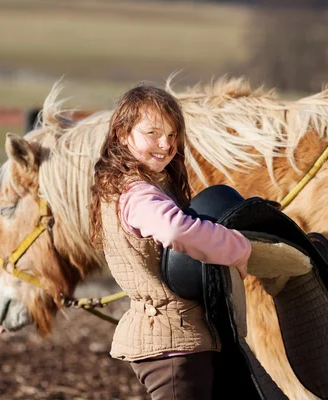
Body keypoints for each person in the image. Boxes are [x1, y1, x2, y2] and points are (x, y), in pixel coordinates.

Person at [89, 83, 252, 400]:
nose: (165, 144)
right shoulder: (138, 193)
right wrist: (238, 247)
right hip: (172, 346)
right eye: (153, 133)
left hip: (179, 338)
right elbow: (175, 230)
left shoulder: (130, 185)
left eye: (172, 135)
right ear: (123, 134)